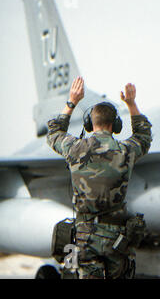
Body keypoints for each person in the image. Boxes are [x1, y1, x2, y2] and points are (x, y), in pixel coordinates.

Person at [46, 76, 152, 279]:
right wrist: (131, 104)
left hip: (84, 238)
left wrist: (72, 102)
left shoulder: (75, 148)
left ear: (88, 123)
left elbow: (54, 131)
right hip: (118, 240)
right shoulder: (125, 150)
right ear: (115, 125)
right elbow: (144, 136)